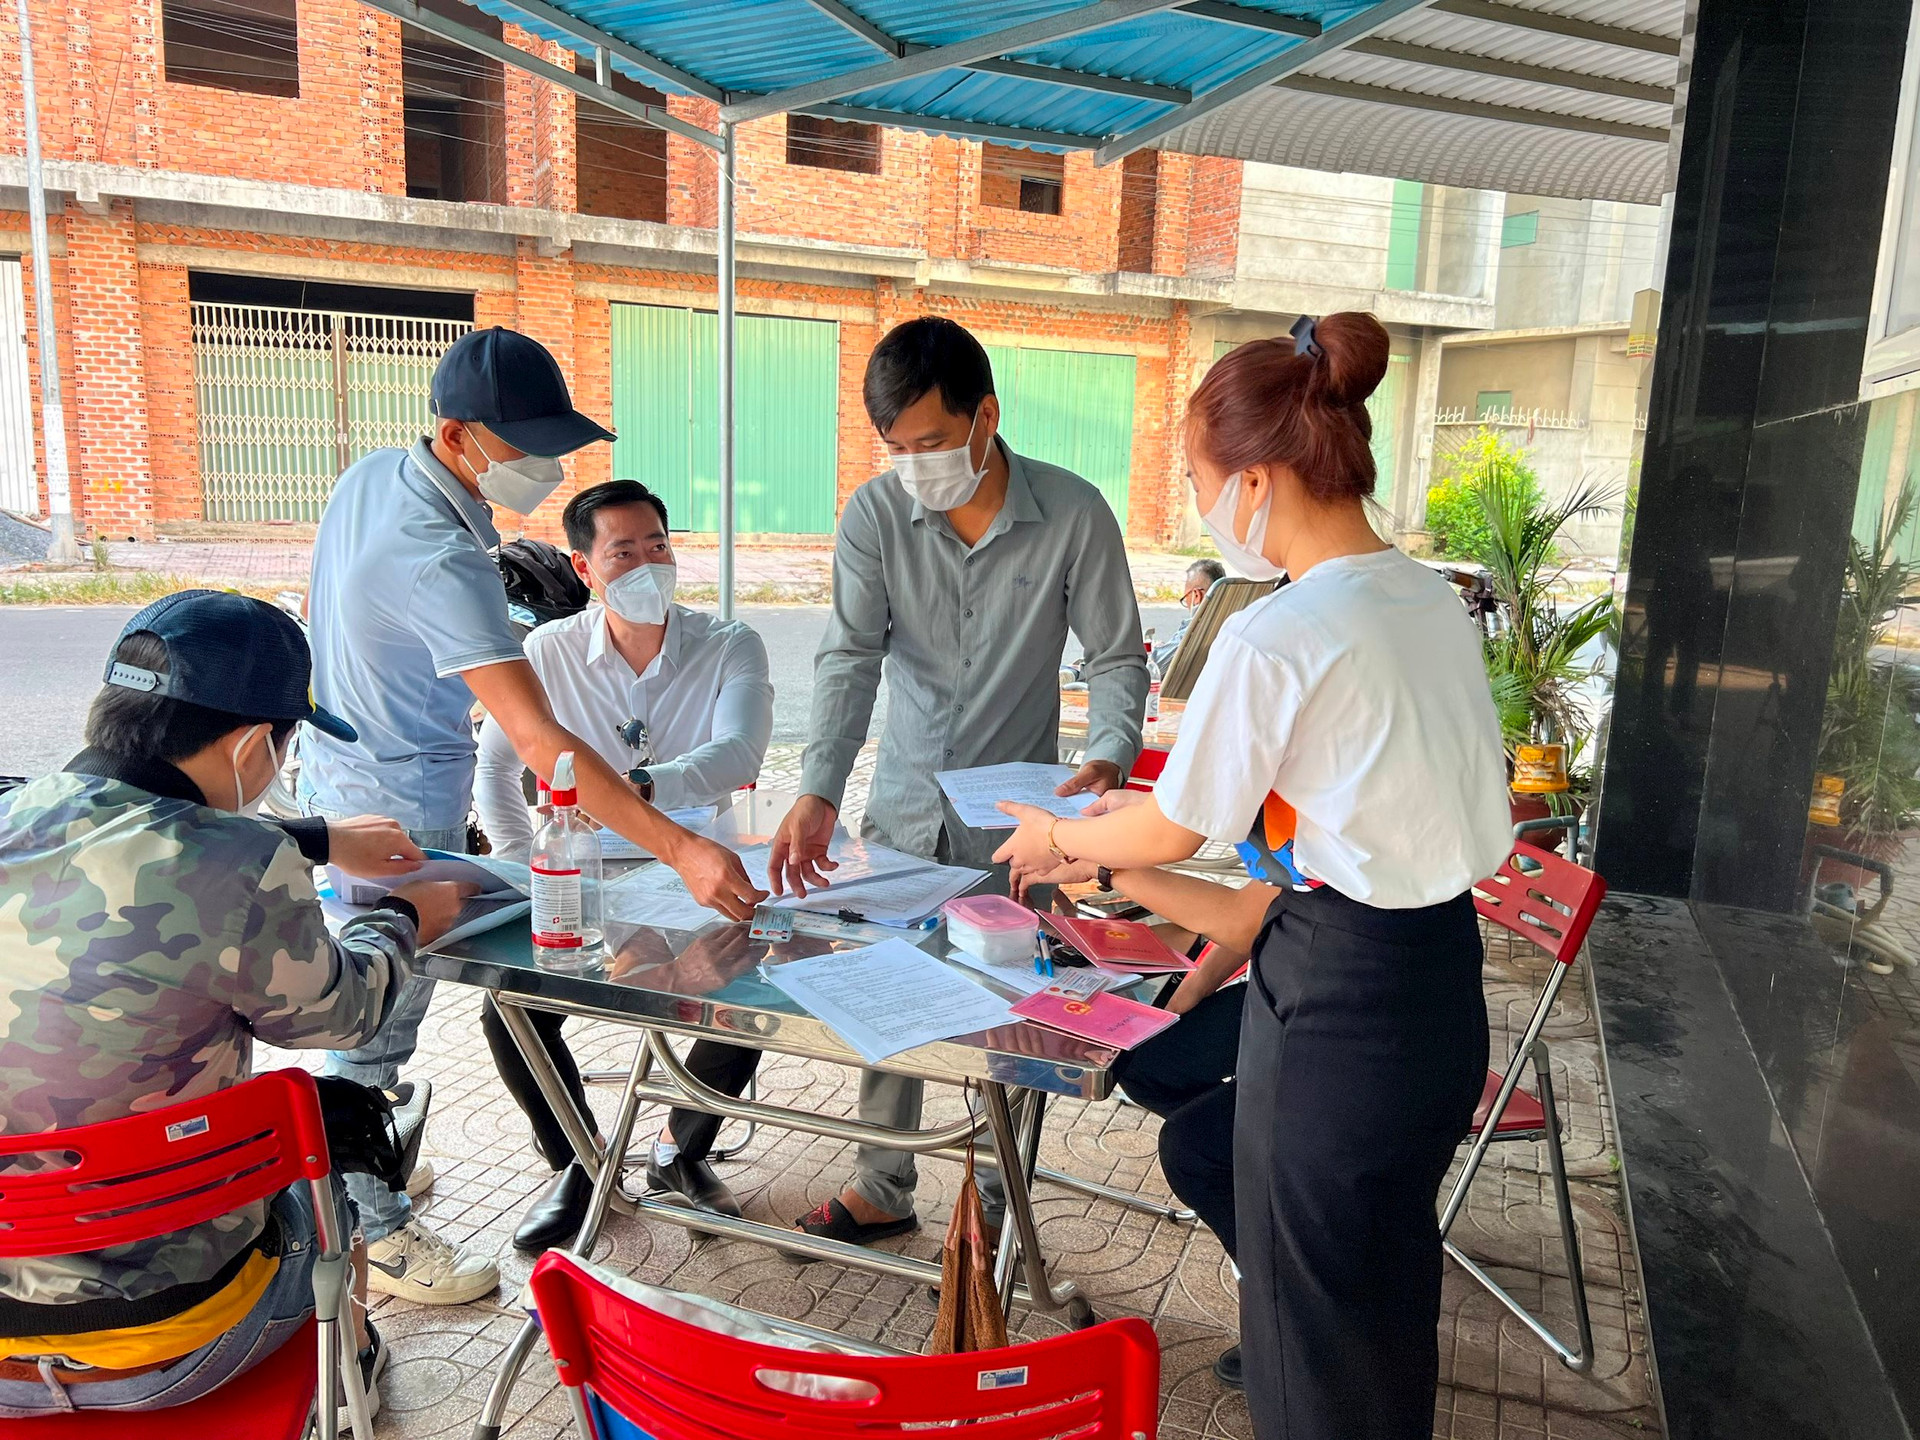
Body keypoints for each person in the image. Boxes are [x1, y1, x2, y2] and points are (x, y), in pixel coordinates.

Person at [994, 313, 1512, 1440]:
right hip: (1432, 980)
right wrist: (1104, 844)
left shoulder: (1280, 632)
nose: (1201, 505)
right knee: (1377, 1291)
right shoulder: (1424, 596)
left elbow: (1179, 825)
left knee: (1308, 1320)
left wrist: (1062, 837)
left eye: (1199, 477)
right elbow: (1281, 857)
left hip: (1335, 1010)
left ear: (1261, 477)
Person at [299, 325, 765, 1305]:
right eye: (527, 443)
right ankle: (365, 1226)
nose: (546, 464)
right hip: (396, 803)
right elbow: (541, 745)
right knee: (379, 1013)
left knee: (380, 988)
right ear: (461, 433)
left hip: (346, 771)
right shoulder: (445, 556)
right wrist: (680, 847)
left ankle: (361, 1160)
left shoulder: (380, 478)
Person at [0, 591, 469, 1420]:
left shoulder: (13, 812)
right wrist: (403, 920)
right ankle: (350, 1362)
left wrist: (317, 835)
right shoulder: (242, 860)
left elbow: (133, 837)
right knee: (327, 1156)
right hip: (172, 1333)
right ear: (258, 744)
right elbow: (339, 1015)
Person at [767, 315, 1148, 1246]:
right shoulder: (876, 514)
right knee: (886, 988)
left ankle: (990, 1207)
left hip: (1020, 823)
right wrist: (818, 786)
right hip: (901, 806)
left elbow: (1115, 657)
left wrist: (1107, 754)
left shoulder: (1073, 512)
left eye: (932, 443)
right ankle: (879, 1184)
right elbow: (850, 658)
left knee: (1005, 1012)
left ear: (987, 418)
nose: (916, 466)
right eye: (897, 449)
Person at [472, 479, 775, 1250]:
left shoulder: (727, 643)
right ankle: (576, 1160)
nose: (648, 566)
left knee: (754, 981)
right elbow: (496, 768)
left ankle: (681, 1150)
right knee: (511, 1004)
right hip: (581, 863)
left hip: (696, 861)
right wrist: (519, 869)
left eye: (659, 547)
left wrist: (640, 789)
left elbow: (738, 752)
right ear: (584, 568)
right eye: (624, 553)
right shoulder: (546, 651)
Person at [1152, 558, 1227, 679]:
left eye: (1186, 598)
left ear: (1197, 595)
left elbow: (1155, 669)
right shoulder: (1230, 623)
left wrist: (1153, 651)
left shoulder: (1197, 630)